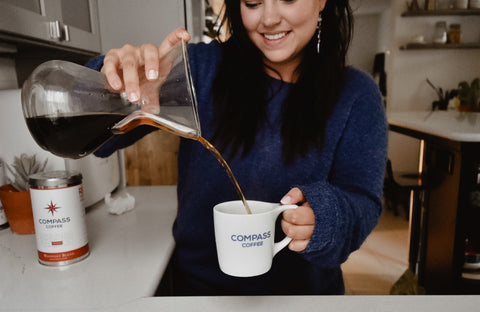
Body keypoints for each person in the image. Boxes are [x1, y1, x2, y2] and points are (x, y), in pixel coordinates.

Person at [87, 0, 388, 295]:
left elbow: (362, 201)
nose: (268, 19)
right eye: (253, 2)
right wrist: (115, 87)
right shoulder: (198, 70)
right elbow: (98, 141)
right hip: (196, 292)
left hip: (305, 297)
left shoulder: (356, 94)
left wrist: (324, 217)